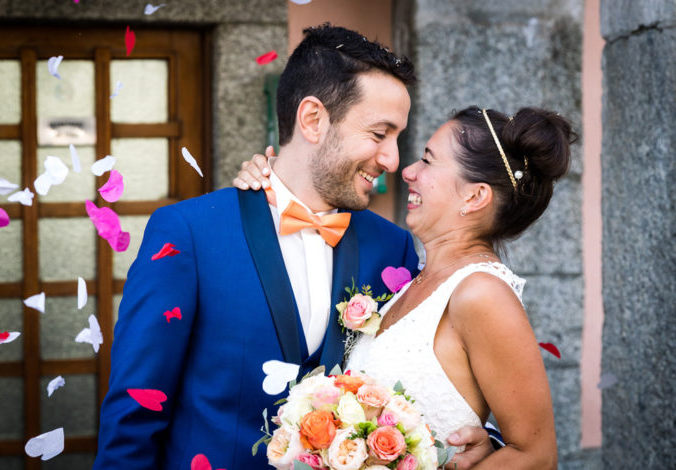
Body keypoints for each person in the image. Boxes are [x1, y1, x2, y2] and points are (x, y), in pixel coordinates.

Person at [94, 25, 491, 470]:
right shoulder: (189, 232)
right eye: (380, 134)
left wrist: (483, 441)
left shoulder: (393, 248)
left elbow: (427, 377)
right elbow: (135, 414)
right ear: (313, 120)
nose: (393, 161)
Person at [237, 105, 575, 468]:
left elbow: (537, 455)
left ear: (474, 197)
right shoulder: (411, 277)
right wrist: (273, 178)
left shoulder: (482, 293)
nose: (408, 171)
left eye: (428, 161)